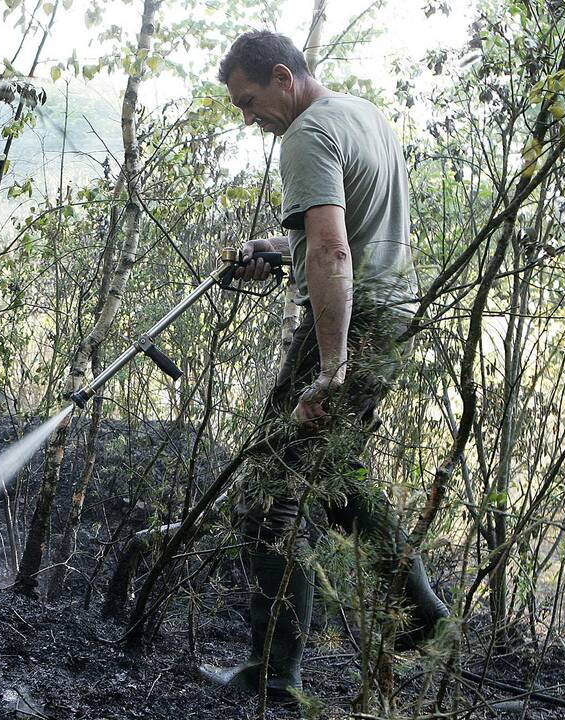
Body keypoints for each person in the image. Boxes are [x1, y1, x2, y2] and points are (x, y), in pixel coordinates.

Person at [205, 30, 449, 703]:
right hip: (393, 318)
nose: (250, 119)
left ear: (284, 77)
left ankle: (272, 675)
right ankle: (421, 610)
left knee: (267, 501)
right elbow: (352, 231)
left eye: (251, 102)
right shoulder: (362, 114)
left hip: (347, 330)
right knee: (334, 474)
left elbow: (335, 255)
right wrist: (277, 249)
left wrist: (333, 363)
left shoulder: (305, 136)